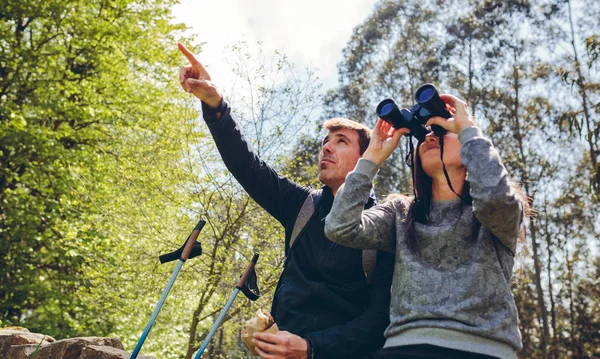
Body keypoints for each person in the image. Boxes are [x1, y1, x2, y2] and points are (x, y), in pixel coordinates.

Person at [177, 43, 394, 359]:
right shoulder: (302, 206)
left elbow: (378, 321)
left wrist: (310, 349)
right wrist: (215, 104)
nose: (327, 149)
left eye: (341, 142)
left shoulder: (385, 224)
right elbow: (247, 167)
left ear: (366, 157)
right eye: (325, 142)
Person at [324, 93, 526, 359]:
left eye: (441, 131)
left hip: (481, 348)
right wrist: (372, 157)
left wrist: (468, 129)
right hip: (403, 348)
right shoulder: (401, 213)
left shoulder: (494, 213)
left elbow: (494, 196)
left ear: (469, 147)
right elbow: (339, 227)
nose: (429, 137)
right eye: (425, 134)